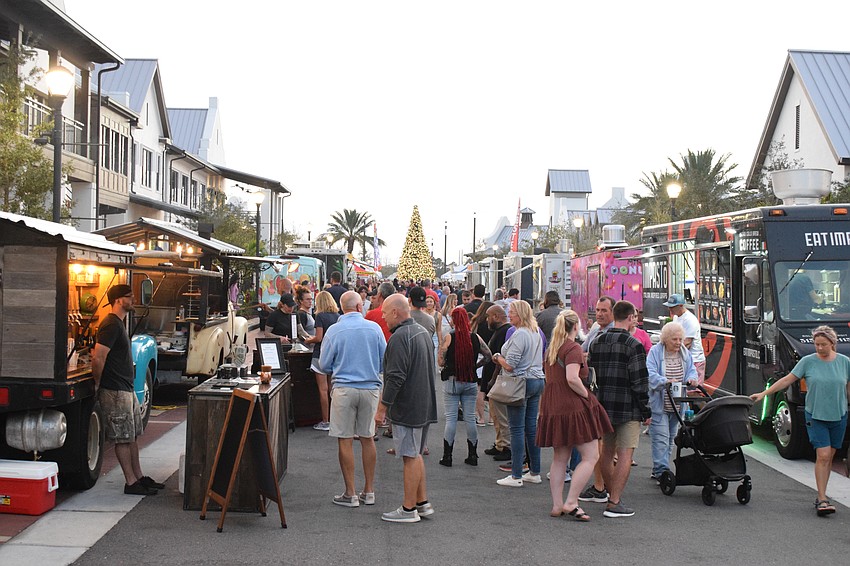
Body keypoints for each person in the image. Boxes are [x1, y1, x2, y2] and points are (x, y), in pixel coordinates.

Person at [751, 325, 850, 516]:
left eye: (823, 344)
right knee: (822, 455)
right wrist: (764, 393)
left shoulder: (844, 363)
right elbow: (787, 380)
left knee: (829, 456)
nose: (819, 348)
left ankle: (823, 493)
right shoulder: (808, 362)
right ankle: (822, 498)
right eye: (816, 344)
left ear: (832, 343)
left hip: (838, 416)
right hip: (816, 415)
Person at [537, 310, 613, 520]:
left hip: (553, 404)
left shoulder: (552, 349)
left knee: (560, 458)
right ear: (576, 327)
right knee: (591, 456)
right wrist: (588, 397)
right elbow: (572, 378)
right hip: (572, 405)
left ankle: (557, 504)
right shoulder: (573, 348)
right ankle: (571, 502)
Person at [92, 285, 164, 496]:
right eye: (128, 296)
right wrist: (98, 382)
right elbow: (98, 356)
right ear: (117, 300)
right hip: (114, 390)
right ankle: (130, 482)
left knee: (132, 435)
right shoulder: (110, 325)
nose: (133, 299)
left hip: (126, 387)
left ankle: (139, 477)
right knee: (123, 437)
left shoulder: (118, 324)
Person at [318, 291, 386, 508]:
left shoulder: (334, 331)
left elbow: (324, 364)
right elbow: (384, 361)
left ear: (342, 308)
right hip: (369, 387)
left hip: (344, 388)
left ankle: (351, 492)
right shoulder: (374, 328)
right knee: (367, 437)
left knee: (345, 438)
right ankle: (369, 490)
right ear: (359, 307)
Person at [588, 300, 650, 518]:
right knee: (625, 453)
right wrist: (646, 410)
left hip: (603, 405)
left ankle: (608, 493)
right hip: (628, 407)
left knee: (606, 452)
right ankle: (614, 501)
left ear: (614, 315)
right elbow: (640, 382)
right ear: (631, 317)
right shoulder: (634, 345)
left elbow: (591, 377)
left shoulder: (597, 342)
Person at [380, 294, 438, 523]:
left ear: (395, 312)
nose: (383, 316)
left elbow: (395, 378)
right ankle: (421, 503)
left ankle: (408, 508)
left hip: (409, 407)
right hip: (423, 404)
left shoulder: (400, 337)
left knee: (409, 456)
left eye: (384, 312)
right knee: (415, 454)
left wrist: (382, 408)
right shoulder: (422, 332)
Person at [492, 300, 546, 487]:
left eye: (512, 312)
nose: (509, 315)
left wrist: (497, 357)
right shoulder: (536, 332)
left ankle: (516, 475)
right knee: (531, 428)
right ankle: (535, 471)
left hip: (521, 383)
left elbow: (511, 364)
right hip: (537, 380)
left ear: (520, 314)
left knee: (516, 429)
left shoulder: (519, 334)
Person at [438, 307, 492, 467]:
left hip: (452, 381)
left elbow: (440, 361)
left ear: (454, 320)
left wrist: (446, 360)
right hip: (470, 381)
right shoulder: (475, 337)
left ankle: (447, 456)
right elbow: (488, 355)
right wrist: (475, 366)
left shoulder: (449, 337)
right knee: (470, 418)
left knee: (451, 419)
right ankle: (472, 455)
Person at [646, 322, 698, 480]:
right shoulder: (655, 352)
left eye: (680, 339)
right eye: (674, 339)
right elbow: (650, 373)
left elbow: (692, 370)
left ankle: (662, 468)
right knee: (660, 437)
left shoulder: (684, 353)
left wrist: (692, 379)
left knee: (670, 438)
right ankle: (661, 470)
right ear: (665, 339)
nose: (678, 342)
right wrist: (665, 381)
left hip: (678, 403)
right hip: (660, 403)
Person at [304, 291, 341, 431]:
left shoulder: (320, 316)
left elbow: (319, 337)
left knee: (323, 390)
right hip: (334, 355)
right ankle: (335, 419)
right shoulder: (337, 316)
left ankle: (325, 420)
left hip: (321, 354)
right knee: (333, 389)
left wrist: (308, 340)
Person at [483, 305, 512, 461]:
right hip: (496, 379)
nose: (487, 320)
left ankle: (505, 446)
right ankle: (500, 443)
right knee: (495, 414)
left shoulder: (504, 332)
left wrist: (493, 379)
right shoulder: (500, 332)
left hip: (499, 380)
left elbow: (498, 358)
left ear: (496, 316)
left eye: (488, 317)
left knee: (501, 415)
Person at [662, 294, 706, 384]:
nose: (670, 309)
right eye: (669, 307)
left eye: (672, 307)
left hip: (694, 359)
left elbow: (687, 343)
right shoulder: (676, 317)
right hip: (683, 360)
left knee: (694, 390)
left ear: (681, 305)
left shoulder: (690, 320)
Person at [470, 301, 495, 426]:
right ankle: (491, 418)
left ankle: (481, 418)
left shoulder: (475, 322)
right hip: (491, 356)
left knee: (479, 388)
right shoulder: (492, 324)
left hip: (478, 356)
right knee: (490, 388)